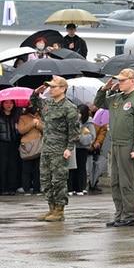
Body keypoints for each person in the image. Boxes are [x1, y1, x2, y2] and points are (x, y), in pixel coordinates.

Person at [93, 70, 134, 227]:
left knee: (127, 182)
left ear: (132, 81)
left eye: (123, 80)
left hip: (128, 145)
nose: (119, 83)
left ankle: (129, 215)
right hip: (115, 144)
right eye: (118, 80)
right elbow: (99, 103)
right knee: (115, 182)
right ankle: (119, 214)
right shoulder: (117, 98)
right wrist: (104, 90)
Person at [37, 77, 81, 223]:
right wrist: (36, 92)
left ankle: (59, 210)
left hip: (59, 149)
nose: (51, 89)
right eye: (50, 87)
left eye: (54, 87)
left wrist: (69, 148)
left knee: (59, 180)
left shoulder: (69, 108)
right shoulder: (48, 103)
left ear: (63, 89)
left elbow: (74, 131)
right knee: (45, 179)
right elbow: (34, 103)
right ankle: (51, 207)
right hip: (47, 148)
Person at [0, 99, 21, 195]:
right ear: (2, 104)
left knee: (13, 166)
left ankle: (12, 188)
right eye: (6, 103)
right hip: (2, 143)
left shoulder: (16, 116)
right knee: (3, 166)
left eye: (11, 103)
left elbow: (19, 131)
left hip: (14, 143)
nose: (9, 105)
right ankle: (3, 188)